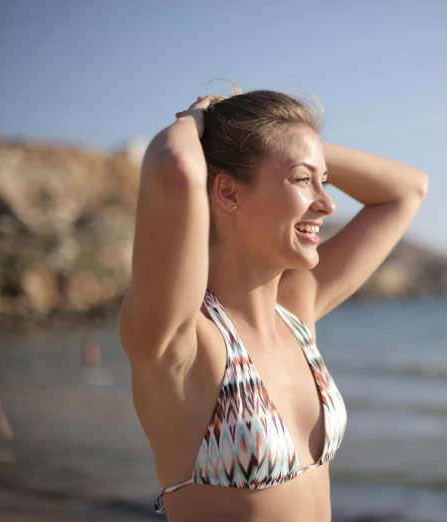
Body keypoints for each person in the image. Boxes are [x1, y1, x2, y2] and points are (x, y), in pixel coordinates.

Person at [119, 88, 428, 521]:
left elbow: (408, 189)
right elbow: (175, 168)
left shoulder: (296, 312)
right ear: (228, 193)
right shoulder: (182, 342)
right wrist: (199, 119)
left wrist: (284, 141)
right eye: (303, 181)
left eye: (325, 179)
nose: (327, 202)